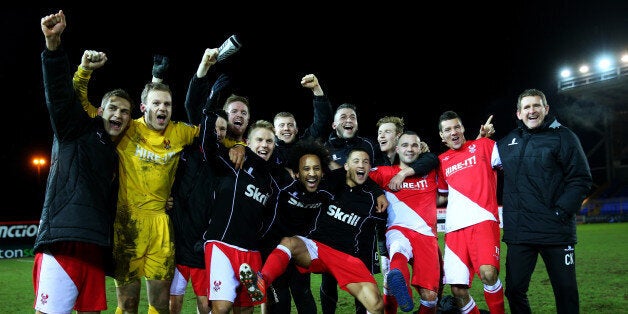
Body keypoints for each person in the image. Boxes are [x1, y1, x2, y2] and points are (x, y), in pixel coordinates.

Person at [33, 10, 133, 313]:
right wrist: (54, 47)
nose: (117, 115)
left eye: (124, 112)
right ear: (99, 110)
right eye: (112, 108)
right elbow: (60, 97)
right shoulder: (75, 128)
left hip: (95, 250)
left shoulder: (116, 154)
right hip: (63, 241)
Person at [240, 147, 388, 314]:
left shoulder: (371, 199)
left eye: (365, 162)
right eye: (356, 161)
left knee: (376, 306)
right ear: (346, 166)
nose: (361, 165)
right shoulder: (328, 183)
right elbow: (274, 169)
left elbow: (381, 226)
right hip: (317, 248)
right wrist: (243, 149)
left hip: (346, 258)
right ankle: (261, 283)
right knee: (289, 242)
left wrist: (377, 192)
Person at [497, 89, 592, 314]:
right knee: (514, 291)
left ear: (546, 109)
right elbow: (478, 159)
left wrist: (560, 212)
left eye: (536, 106)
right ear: (519, 113)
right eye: (527, 107)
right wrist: (481, 140)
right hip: (521, 233)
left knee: (566, 292)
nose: (532, 111)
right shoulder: (507, 142)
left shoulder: (564, 136)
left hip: (556, 231)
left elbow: (580, 179)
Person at [201, 119, 286, 313]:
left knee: (246, 310)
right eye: (260, 140)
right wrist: (210, 108)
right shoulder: (234, 162)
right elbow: (208, 147)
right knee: (221, 308)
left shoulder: (273, 182)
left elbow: (270, 221)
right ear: (248, 141)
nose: (264, 145)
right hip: (222, 244)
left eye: (269, 141)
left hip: (251, 251)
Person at [436, 111, 504, 314]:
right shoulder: (441, 161)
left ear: (463, 128)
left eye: (457, 127)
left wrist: (482, 138)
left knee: (488, 273)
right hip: (454, 230)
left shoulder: (485, 145)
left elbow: (511, 163)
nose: (453, 132)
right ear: (442, 136)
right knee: (458, 290)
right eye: (447, 129)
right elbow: (441, 196)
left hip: (483, 220)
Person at [369, 131, 441, 314]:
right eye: (405, 145)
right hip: (398, 229)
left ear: (420, 148)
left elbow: (435, 159)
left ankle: (397, 282)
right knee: (398, 250)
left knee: (431, 297)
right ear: (398, 149)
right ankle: (402, 286)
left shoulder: (431, 172)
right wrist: (378, 193)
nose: (410, 149)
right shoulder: (385, 173)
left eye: (414, 145)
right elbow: (358, 177)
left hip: (427, 236)